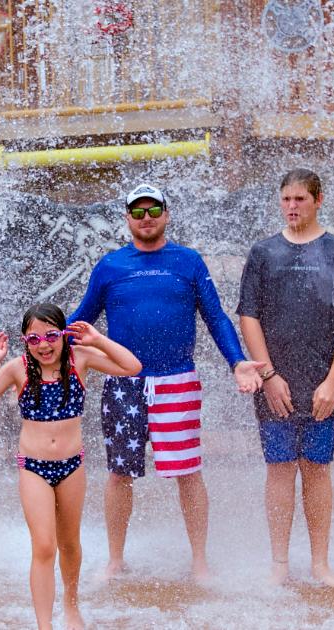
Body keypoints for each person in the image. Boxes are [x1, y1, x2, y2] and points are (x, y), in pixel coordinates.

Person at [69, 182, 263, 582]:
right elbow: (80, 322)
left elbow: (216, 317)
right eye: (137, 212)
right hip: (124, 385)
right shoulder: (110, 266)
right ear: (127, 219)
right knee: (119, 473)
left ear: (167, 214)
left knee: (188, 472)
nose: (146, 218)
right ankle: (115, 559)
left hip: (177, 381)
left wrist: (237, 362)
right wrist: (44, 348)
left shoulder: (189, 262)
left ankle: (199, 561)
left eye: (153, 210)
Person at [0, 304, 140, 630]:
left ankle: (71, 606)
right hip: (33, 467)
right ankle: (44, 625)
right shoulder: (18, 368)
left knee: (70, 543)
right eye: (34, 339)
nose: (43, 345)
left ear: (63, 335)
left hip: (72, 466)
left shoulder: (81, 360)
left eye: (51, 336)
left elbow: (132, 366)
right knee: (44, 546)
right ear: (24, 341)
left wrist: (98, 339)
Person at [236, 168, 334, 588]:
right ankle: (279, 565)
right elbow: (248, 316)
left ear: (318, 200)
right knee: (279, 468)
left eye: (300, 199)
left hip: (324, 382)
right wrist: (269, 375)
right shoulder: (263, 253)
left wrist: (332, 382)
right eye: (286, 199)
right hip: (275, 382)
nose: (292, 206)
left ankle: (320, 564)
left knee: (316, 468)